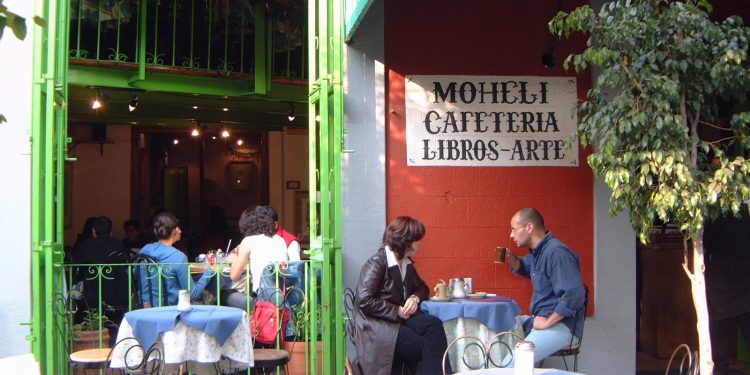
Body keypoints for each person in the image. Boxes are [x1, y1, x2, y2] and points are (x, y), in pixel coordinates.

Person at [353, 216, 450, 375]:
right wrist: (396, 310)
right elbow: (364, 300)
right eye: (418, 239)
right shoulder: (377, 263)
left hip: (399, 320)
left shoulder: (406, 262)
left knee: (434, 326)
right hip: (378, 324)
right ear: (406, 241)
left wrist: (414, 298)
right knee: (422, 346)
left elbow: (423, 288)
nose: (421, 243)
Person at [504, 207, 585, 365]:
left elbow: (574, 295)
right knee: (500, 327)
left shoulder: (557, 253)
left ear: (529, 227)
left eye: (514, 229)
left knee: (512, 363)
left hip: (560, 326)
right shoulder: (537, 252)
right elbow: (527, 268)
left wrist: (548, 322)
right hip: (539, 320)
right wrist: (513, 260)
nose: (511, 235)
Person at [704, 204, 750, 375]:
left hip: (719, 277)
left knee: (719, 345)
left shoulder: (713, 211)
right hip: (744, 275)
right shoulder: (745, 209)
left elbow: (705, 241)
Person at [138, 212, 214, 307]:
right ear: (174, 230)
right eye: (178, 227)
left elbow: (136, 274)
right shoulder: (178, 257)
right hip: (171, 309)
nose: (180, 231)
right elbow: (193, 294)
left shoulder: (145, 250)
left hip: (145, 308)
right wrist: (209, 271)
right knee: (210, 298)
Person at [226, 205, 290, 310]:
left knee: (223, 294)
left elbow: (234, 276)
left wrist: (234, 260)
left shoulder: (249, 241)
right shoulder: (280, 240)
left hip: (262, 299)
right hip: (282, 297)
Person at [73, 216, 129, 312]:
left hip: (90, 294)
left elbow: (77, 265)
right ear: (111, 232)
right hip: (116, 294)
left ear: (93, 231)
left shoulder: (85, 245)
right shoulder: (117, 244)